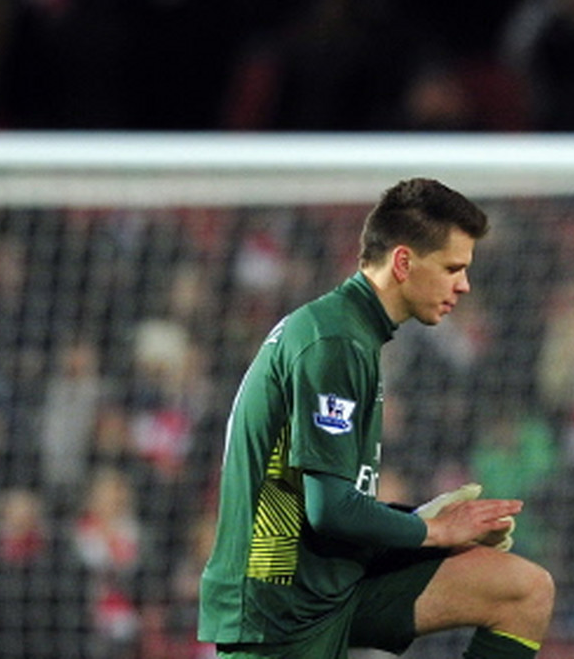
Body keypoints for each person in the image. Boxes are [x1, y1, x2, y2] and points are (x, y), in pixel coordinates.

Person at [198, 178, 555, 659]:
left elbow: (331, 500)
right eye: (452, 268)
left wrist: (422, 521)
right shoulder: (334, 342)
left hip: (332, 586)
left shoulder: (353, 335)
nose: (464, 285)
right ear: (404, 262)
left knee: (522, 590)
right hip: (279, 607)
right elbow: (329, 511)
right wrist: (434, 531)